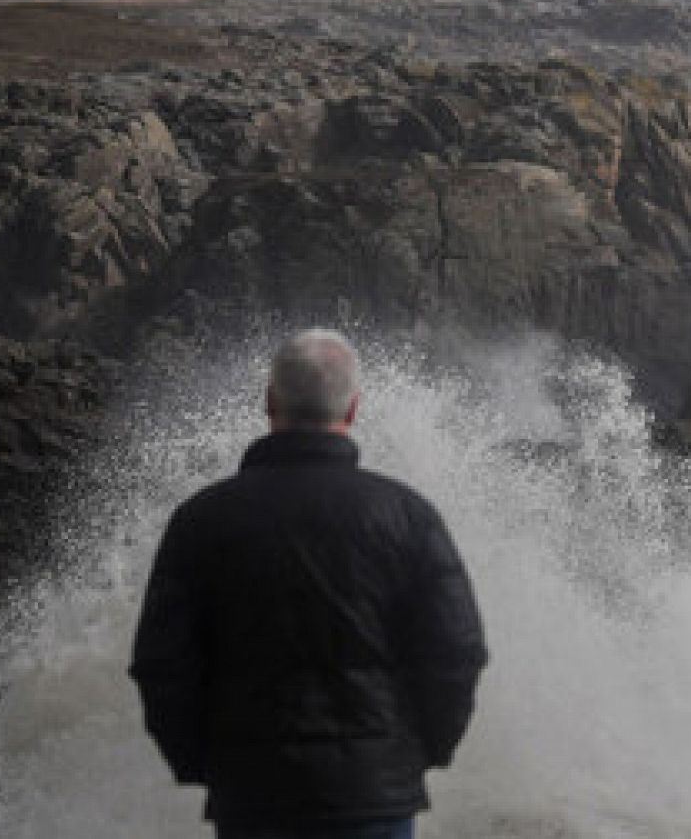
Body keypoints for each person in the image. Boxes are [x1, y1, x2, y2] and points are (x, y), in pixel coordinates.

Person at [130, 329, 488, 839]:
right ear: (354, 408)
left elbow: (162, 664)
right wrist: (415, 754)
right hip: (373, 798)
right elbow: (457, 651)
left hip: (254, 797)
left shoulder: (203, 518)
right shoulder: (405, 515)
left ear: (270, 401)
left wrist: (202, 764)